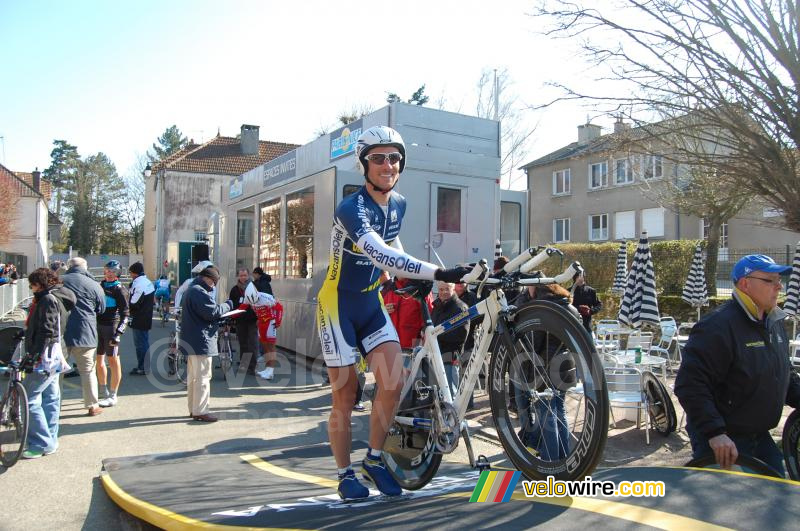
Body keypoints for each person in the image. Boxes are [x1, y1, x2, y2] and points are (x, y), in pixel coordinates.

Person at [315, 125, 470, 500]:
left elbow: (394, 245)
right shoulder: (351, 208)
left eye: (395, 158)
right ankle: (344, 473)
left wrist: (409, 277)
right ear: (364, 164)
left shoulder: (398, 203)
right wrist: (435, 273)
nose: (388, 164)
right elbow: (379, 253)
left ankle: (373, 458)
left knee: (393, 381)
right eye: (378, 158)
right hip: (336, 306)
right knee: (346, 393)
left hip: (370, 303)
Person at [675, 254, 800, 476]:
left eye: (779, 280)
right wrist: (715, 433)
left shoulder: (774, 322)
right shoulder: (717, 326)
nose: (779, 286)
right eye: (770, 280)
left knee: (777, 499)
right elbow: (690, 385)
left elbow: (784, 376)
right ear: (745, 283)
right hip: (724, 442)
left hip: (760, 436)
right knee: (726, 508)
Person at [513, 279, 579, 460]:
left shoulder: (544, 309)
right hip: (565, 366)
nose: (527, 289)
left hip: (545, 369)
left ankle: (551, 460)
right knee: (559, 413)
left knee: (546, 416)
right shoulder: (569, 307)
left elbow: (534, 342)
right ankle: (564, 457)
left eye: (529, 286)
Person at [21, 267, 76, 458]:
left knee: (29, 399)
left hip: (46, 356)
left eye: (33, 285)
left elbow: (47, 331)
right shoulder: (56, 297)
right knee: (51, 398)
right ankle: (50, 440)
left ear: (41, 284)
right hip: (54, 354)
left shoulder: (47, 300)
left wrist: (33, 356)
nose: (31, 288)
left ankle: (41, 442)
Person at [180, 265, 233, 422]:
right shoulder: (199, 292)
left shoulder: (192, 289)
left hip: (192, 340)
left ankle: (194, 409)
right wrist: (228, 305)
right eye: (214, 282)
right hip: (201, 341)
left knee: (193, 378)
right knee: (203, 377)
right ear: (209, 279)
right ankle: (201, 410)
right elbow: (212, 312)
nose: (214, 286)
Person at [61, 256, 106, 416]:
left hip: (61, 332)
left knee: (57, 370)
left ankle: (53, 403)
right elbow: (101, 309)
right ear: (85, 268)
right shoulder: (93, 284)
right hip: (85, 332)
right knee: (87, 370)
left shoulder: (59, 281)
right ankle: (92, 405)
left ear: (68, 266)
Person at [96, 260, 129, 407]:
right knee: (99, 360)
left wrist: (118, 333)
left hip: (112, 327)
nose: (109, 273)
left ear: (118, 273)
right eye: (107, 270)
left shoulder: (120, 289)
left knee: (113, 362)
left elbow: (126, 314)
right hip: (98, 326)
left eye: (113, 271)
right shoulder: (100, 285)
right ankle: (103, 391)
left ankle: (113, 394)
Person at [431, 281, 469, 397]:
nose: (444, 292)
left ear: (453, 289)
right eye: (441, 289)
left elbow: (461, 335)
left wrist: (436, 335)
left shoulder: (460, 307)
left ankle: (453, 415)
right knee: (438, 393)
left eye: (447, 289)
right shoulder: (437, 306)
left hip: (450, 355)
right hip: (435, 354)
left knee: (450, 394)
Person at [241, 283, 283, 380]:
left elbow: (279, 307)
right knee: (264, 347)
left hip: (270, 323)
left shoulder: (266, 297)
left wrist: (278, 321)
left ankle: (271, 371)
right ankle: (267, 369)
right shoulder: (247, 297)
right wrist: (231, 314)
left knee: (271, 347)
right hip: (260, 323)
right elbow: (242, 308)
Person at [384, 276, 432, 350]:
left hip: (413, 345)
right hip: (392, 342)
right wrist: (384, 310)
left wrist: (424, 346)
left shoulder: (420, 288)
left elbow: (429, 317)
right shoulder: (390, 289)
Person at [229, 268, 259, 375]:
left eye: (245, 275)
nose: (243, 278)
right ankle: (244, 366)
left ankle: (253, 367)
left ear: (248, 275)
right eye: (241, 275)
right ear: (238, 276)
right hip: (240, 320)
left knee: (253, 344)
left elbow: (259, 303)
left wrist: (259, 318)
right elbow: (232, 305)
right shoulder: (234, 290)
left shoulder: (254, 287)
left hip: (252, 320)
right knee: (243, 344)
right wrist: (232, 319)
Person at [128, 262, 154, 375]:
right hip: (146, 316)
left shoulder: (140, 284)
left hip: (139, 318)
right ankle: (144, 366)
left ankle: (143, 367)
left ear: (134, 273)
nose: (130, 275)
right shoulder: (147, 282)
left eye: (130, 273)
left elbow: (134, 303)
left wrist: (126, 297)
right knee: (144, 342)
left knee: (140, 344)